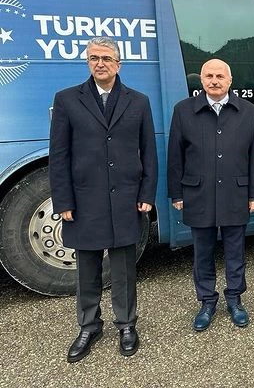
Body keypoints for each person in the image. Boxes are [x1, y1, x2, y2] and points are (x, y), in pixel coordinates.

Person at [49, 36, 158, 363]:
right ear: (88, 62)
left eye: (107, 58)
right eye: (94, 58)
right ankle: (88, 326)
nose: (100, 63)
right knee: (88, 268)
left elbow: (148, 152)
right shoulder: (67, 100)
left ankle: (126, 324)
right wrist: (63, 201)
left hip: (126, 199)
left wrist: (147, 194)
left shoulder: (138, 101)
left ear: (118, 64)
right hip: (85, 201)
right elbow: (59, 155)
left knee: (124, 268)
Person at [167, 59, 254, 331]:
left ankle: (235, 299)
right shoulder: (183, 110)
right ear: (201, 80)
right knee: (202, 253)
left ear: (230, 80)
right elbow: (175, 155)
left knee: (235, 252)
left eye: (220, 76)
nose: (214, 81)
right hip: (197, 193)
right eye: (209, 76)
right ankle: (207, 301)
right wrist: (176, 193)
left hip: (236, 193)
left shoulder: (250, 112)